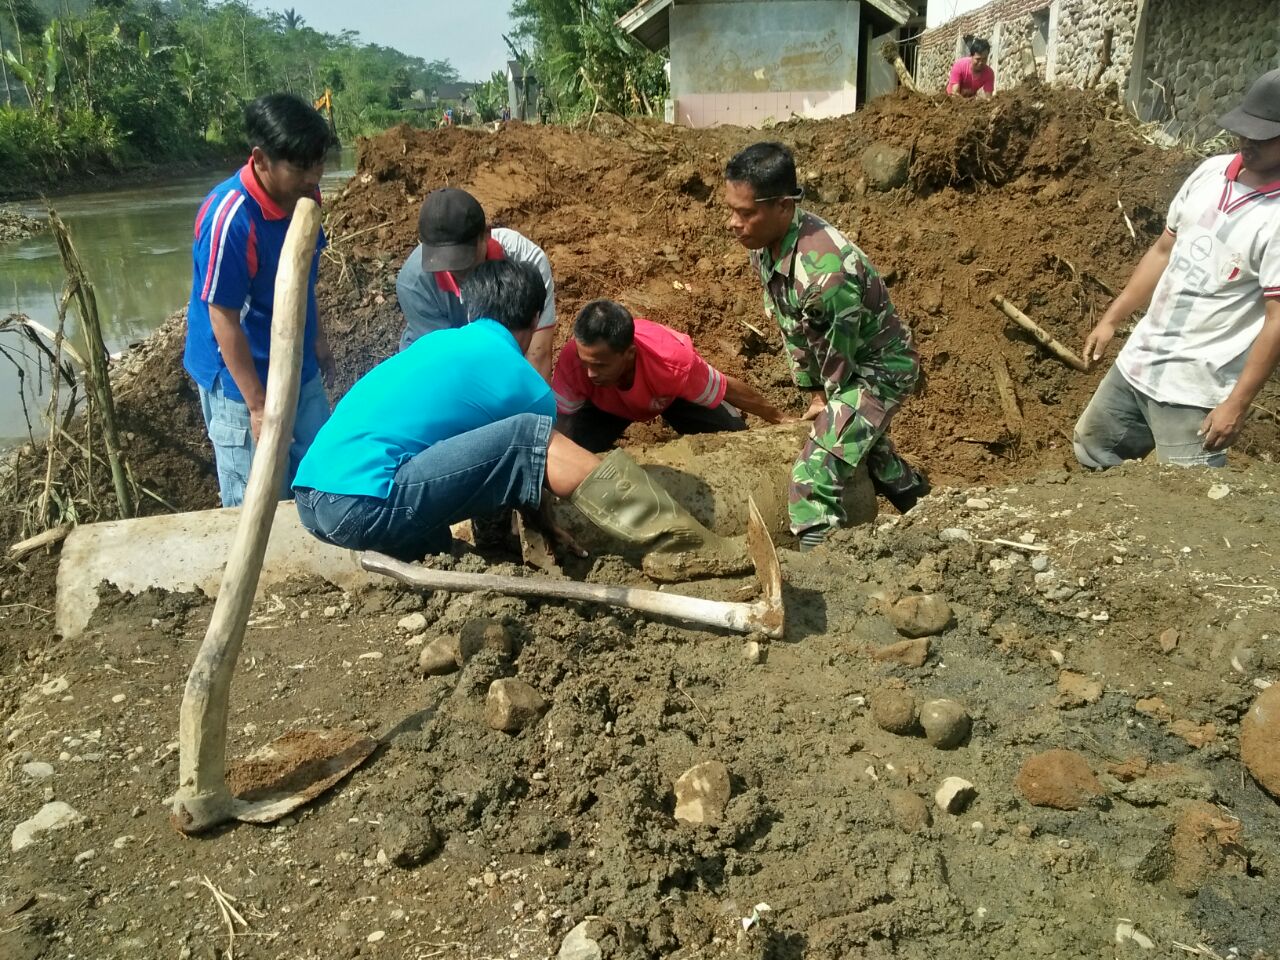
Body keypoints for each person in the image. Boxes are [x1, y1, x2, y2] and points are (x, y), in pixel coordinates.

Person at [294, 260, 742, 580]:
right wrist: (548, 523)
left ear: (473, 310)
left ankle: (477, 557)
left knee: (449, 552)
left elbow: (481, 465)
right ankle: (684, 543)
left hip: (314, 499)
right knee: (531, 435)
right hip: (363, 502)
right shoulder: (526, 386)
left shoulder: (434, 347)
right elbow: (530, 463)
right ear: (533, 318)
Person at [1074, 69, 1280, 471]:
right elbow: (1162, 251)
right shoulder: (1210, 173)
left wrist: (1236, 404)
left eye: (1263, 136)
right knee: (1092, 446)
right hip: (1142, 360)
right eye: (1245, 130)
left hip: (1197, 388)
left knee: (1189, 495)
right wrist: (1112, 319)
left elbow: (1277, 320)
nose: (1248, 141)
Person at [724, 142, 927, 549]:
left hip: (879, 372)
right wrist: (814, 395)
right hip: (848, 363)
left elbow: (840, 358)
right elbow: (794, 329)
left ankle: (830, 575)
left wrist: (831, 405)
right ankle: (931, 515)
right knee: (869, 454)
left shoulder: (822, 276)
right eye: (731, 209)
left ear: (783, 206)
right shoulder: (767, 246)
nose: (733, 222)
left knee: (813, 477)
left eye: (746, 213)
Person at [184, 92, 334, 508]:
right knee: (255, 492)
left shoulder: (306, 197)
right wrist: (257, 405)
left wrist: (317, 339)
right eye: (301, 168)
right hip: (238, 378)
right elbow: (223, 319)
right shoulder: (230, 219)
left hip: (295, 362)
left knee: (317, 470)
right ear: (261, 159)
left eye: (318, 165)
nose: (313, 178)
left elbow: (303, 277)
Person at [553, 299, 791, 452]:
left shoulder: (673, 364)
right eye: (586, 363)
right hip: (605, 407)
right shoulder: (573, 362)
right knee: (576, 450)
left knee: (733, 437)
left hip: (669, 395)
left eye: (600, 365)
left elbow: (724, 387)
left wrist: (780, 418)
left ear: (629, 354)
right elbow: (562, 421)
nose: (590, 373)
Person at [396, 188, 556, 379]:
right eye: (445, 262)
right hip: (441, 361)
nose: (456, 271)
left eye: (464, 260)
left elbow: (538, 354)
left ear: (486, 235)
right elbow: (447, 364)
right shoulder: (415, 283)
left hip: (504, 353)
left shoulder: (525, 260)